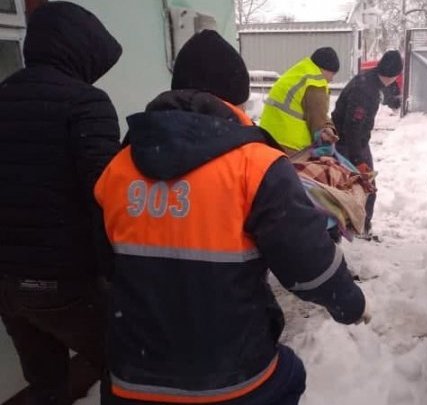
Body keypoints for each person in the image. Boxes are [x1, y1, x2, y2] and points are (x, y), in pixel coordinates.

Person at [94, 30, 368, 405]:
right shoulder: (255, 166)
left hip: (132, 380)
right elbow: (309, 265)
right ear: (236, 101)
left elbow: (101, 262)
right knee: (291, 375)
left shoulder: (117, 168)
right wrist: (350, 304)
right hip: (231, 381)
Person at [0, 2, 122, 404]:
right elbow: (105, 195)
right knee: (123, 367)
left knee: (46, 383)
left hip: (7, 284)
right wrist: (118, 272)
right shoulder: (87, 103)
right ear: (78, 50)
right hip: (68, 282)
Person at [331, 50, 403, 239]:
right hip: (348, 142)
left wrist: (395, 94)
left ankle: (357, 225)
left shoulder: (372, 79)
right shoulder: (365, 91)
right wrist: (357, 158)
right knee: (365, 185)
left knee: (358, 185)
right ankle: (359, 227)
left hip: (355, 139)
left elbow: (388, 88)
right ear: (391, 74)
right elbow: (352, 126)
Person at [260, 47, 340, 154]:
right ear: (325, 69)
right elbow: (318, 121)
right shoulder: (316, 82)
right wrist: (327, 135)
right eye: (332, 74)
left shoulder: (300, 71)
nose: (331, 79)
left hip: (268, 137)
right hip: (288, 144)